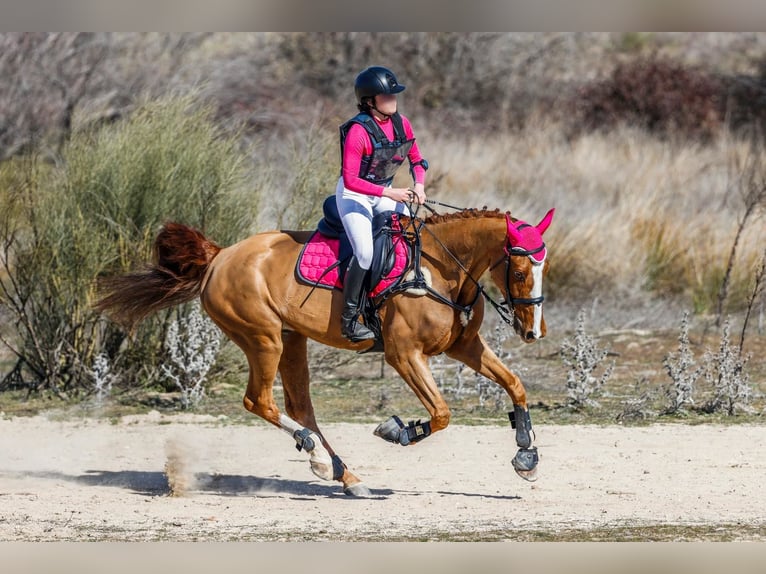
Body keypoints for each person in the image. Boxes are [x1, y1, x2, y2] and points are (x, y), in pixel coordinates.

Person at [336, 65, 428, 342]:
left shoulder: (402, 123)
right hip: (355, 195)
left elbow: (417, 160)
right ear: (369, 102)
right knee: (364, 252)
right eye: (386, 97)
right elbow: (351, 180)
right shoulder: (358, 132)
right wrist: (391, 194)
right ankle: (350, 319)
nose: (393, 100)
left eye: (393, 95)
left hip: (386, 192)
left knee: (412, 233)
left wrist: (419, 185)